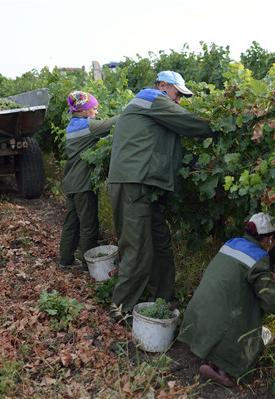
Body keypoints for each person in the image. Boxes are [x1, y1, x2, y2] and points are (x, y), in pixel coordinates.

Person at [107, 70, 217, 321]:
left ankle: (163, 301)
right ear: (163, 86)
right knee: (138, 250)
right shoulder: (152, 98)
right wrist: (223, 127)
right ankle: (121, 312)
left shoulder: (154, 108)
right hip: (132, 182)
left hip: (144, 184)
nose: (178, 101)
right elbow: (190, 122)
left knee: (160, 243)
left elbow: (170, 146)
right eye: (178, 94)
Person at [178, 212, 275, 387]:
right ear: (270, 239)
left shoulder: (231, 244)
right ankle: (222, 369)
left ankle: (209, 354)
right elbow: (272, 301)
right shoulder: (259, 257)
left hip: (196, 319)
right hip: (220, 323)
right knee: (247, 319)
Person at [59, 91, 118, 268]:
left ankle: (66, 260)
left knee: (71, 222)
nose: (96, 112)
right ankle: (89, 266)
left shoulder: (72, 125)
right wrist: (135, 110)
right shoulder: (87, 126)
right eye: (94, 109)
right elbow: (111, 124)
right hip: (83, 183)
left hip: (71, 182)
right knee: (88, 226)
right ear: (84, 110)